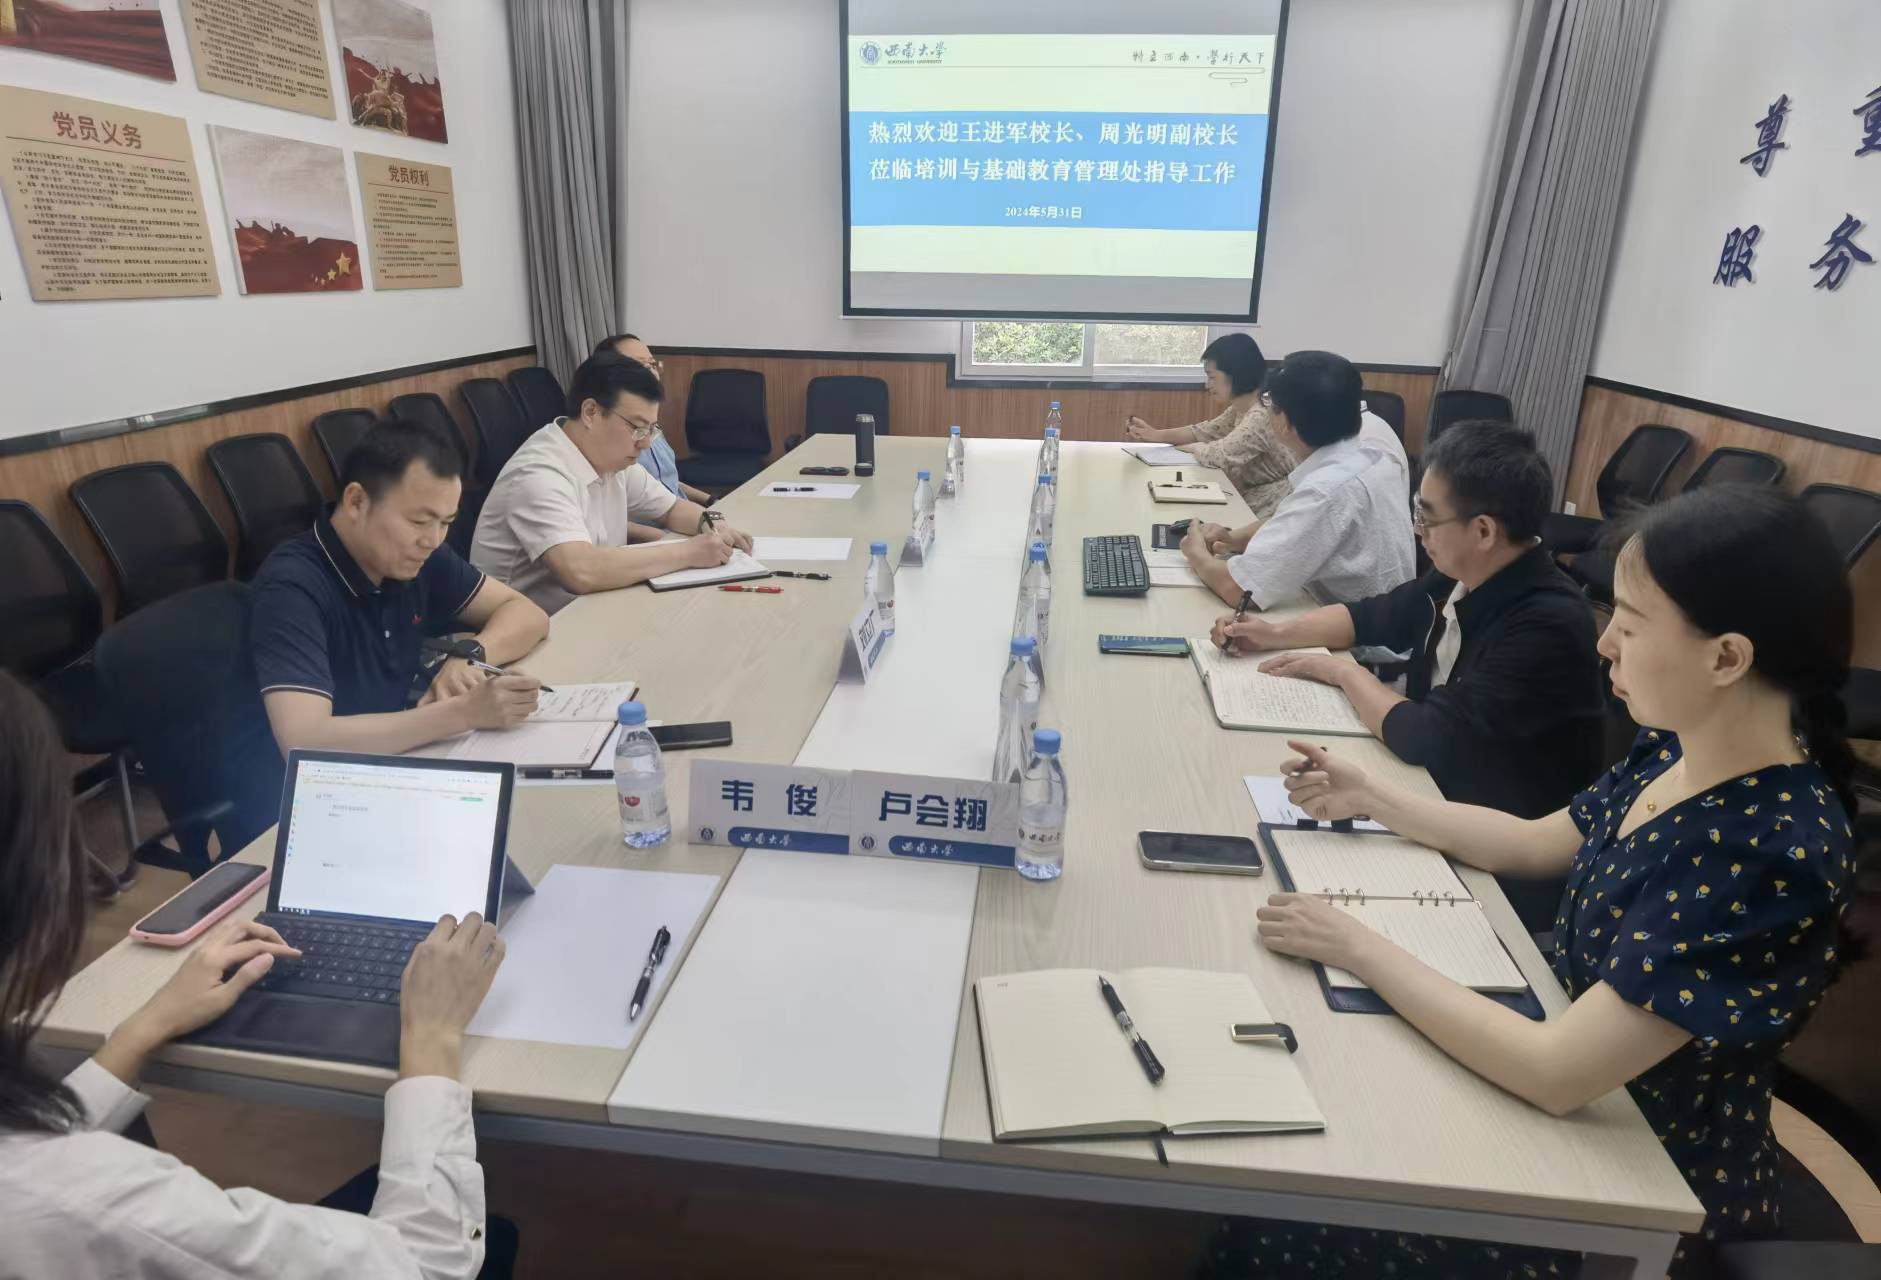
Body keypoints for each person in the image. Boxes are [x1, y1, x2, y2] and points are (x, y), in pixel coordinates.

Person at [1201, 486, 1857, 1279]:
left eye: (1630, 624)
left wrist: (1357, 947)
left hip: (1632, 1191)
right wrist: (1371, 798)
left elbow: (1555, 1072)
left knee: (1292, 1217)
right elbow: (1533, 843)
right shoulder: (1679, 747)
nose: (1604, 643)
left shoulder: (1765, 852)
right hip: (1574, 1092)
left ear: (1726, 658)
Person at [0, 670, 513, 1278]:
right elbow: (426, 1265)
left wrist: (144, 1027)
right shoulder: (96, 1202)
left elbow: (36, 1151)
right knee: (493, 1237)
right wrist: (432, 1038)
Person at [1210, 422, 1605, 927]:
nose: (1419, 531)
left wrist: (1345, 674)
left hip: (1494, 854)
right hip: (1435, 796)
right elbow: (1374, 615)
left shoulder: (1546, 623)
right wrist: (1272, 634)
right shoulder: (1468, 573)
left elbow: (1423, 736)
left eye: (1428, 518)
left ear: (1484, 531)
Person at [252, 417, 550, 758]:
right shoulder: (292, 587)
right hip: (322, 782)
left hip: (402, 755)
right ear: (356, 502)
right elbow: (304, 741)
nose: (433, 540)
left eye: (446, 523)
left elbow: (528, 614)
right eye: (419, 521)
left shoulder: (420, 555)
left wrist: (470, 656)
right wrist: (463, 713)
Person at [470, 353, 755, 614]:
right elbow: (581, 571)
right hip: (534, 629)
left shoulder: (611, 458)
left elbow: (672, 509)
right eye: (637, 427)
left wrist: (713, 524)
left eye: (651, 429)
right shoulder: (538, 474)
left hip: (593, 608)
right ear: (591, 412)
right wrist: (690, 552)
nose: (646, 443)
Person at [1179, 350, 1413, 610]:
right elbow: (1297, 523)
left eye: (1269, 403)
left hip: (1355, 632)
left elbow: (1240, 590)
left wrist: (1196, 554)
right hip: (1384, 618)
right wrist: (1234, 538)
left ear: (1285, 423)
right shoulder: (1369, 455)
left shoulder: (1325, 491)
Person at [1121, 332, 1294, 518]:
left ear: (1236, 374)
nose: (1207, 385)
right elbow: (1203, 432)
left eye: (1212, 377)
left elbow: (1217, 456)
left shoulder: (1260, 415)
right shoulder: (1241, 407)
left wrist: (1195, 447)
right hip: (1252, 495)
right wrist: (1153, 434)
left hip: (1272, 504)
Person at [592, 333, 717, 514]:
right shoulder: (609, 436)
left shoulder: (651, 422)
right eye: (638, 365)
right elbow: (613, 519)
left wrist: (710, 500)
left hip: (682, 515)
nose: (651, 372)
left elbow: (667, 482)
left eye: (652, 364)